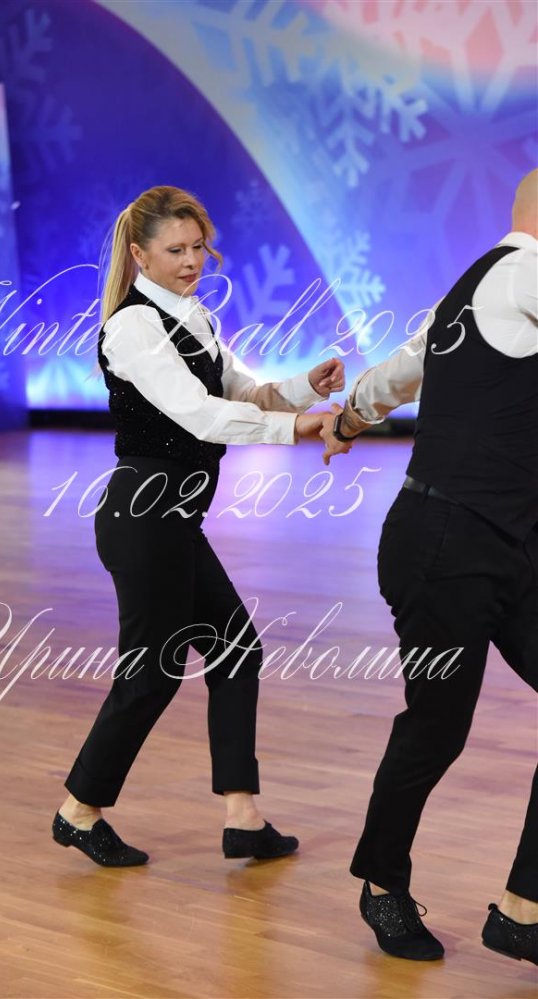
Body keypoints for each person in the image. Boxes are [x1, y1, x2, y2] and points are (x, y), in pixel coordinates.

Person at [53, 185, 345, 866]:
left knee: (235, 649)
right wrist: (298, 428)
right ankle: (78, 811)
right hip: (144, 515)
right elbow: (199, 414)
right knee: (152, 673)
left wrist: (305, 387)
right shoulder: (132, 326)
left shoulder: (197, 318)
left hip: (173, 519)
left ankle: (243, 815)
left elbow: (245, 393)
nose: (191, 261)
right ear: (139, 254)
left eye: (197, 248)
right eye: (175, 250)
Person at [320, 169, 538, 964]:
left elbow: (397, 372)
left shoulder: (471, 292)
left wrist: (349, 416)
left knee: (437, 723)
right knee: (438, 725)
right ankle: (382, 883)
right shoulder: (524, 272)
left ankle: (523, 909)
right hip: (446, 543)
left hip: (499, 541)